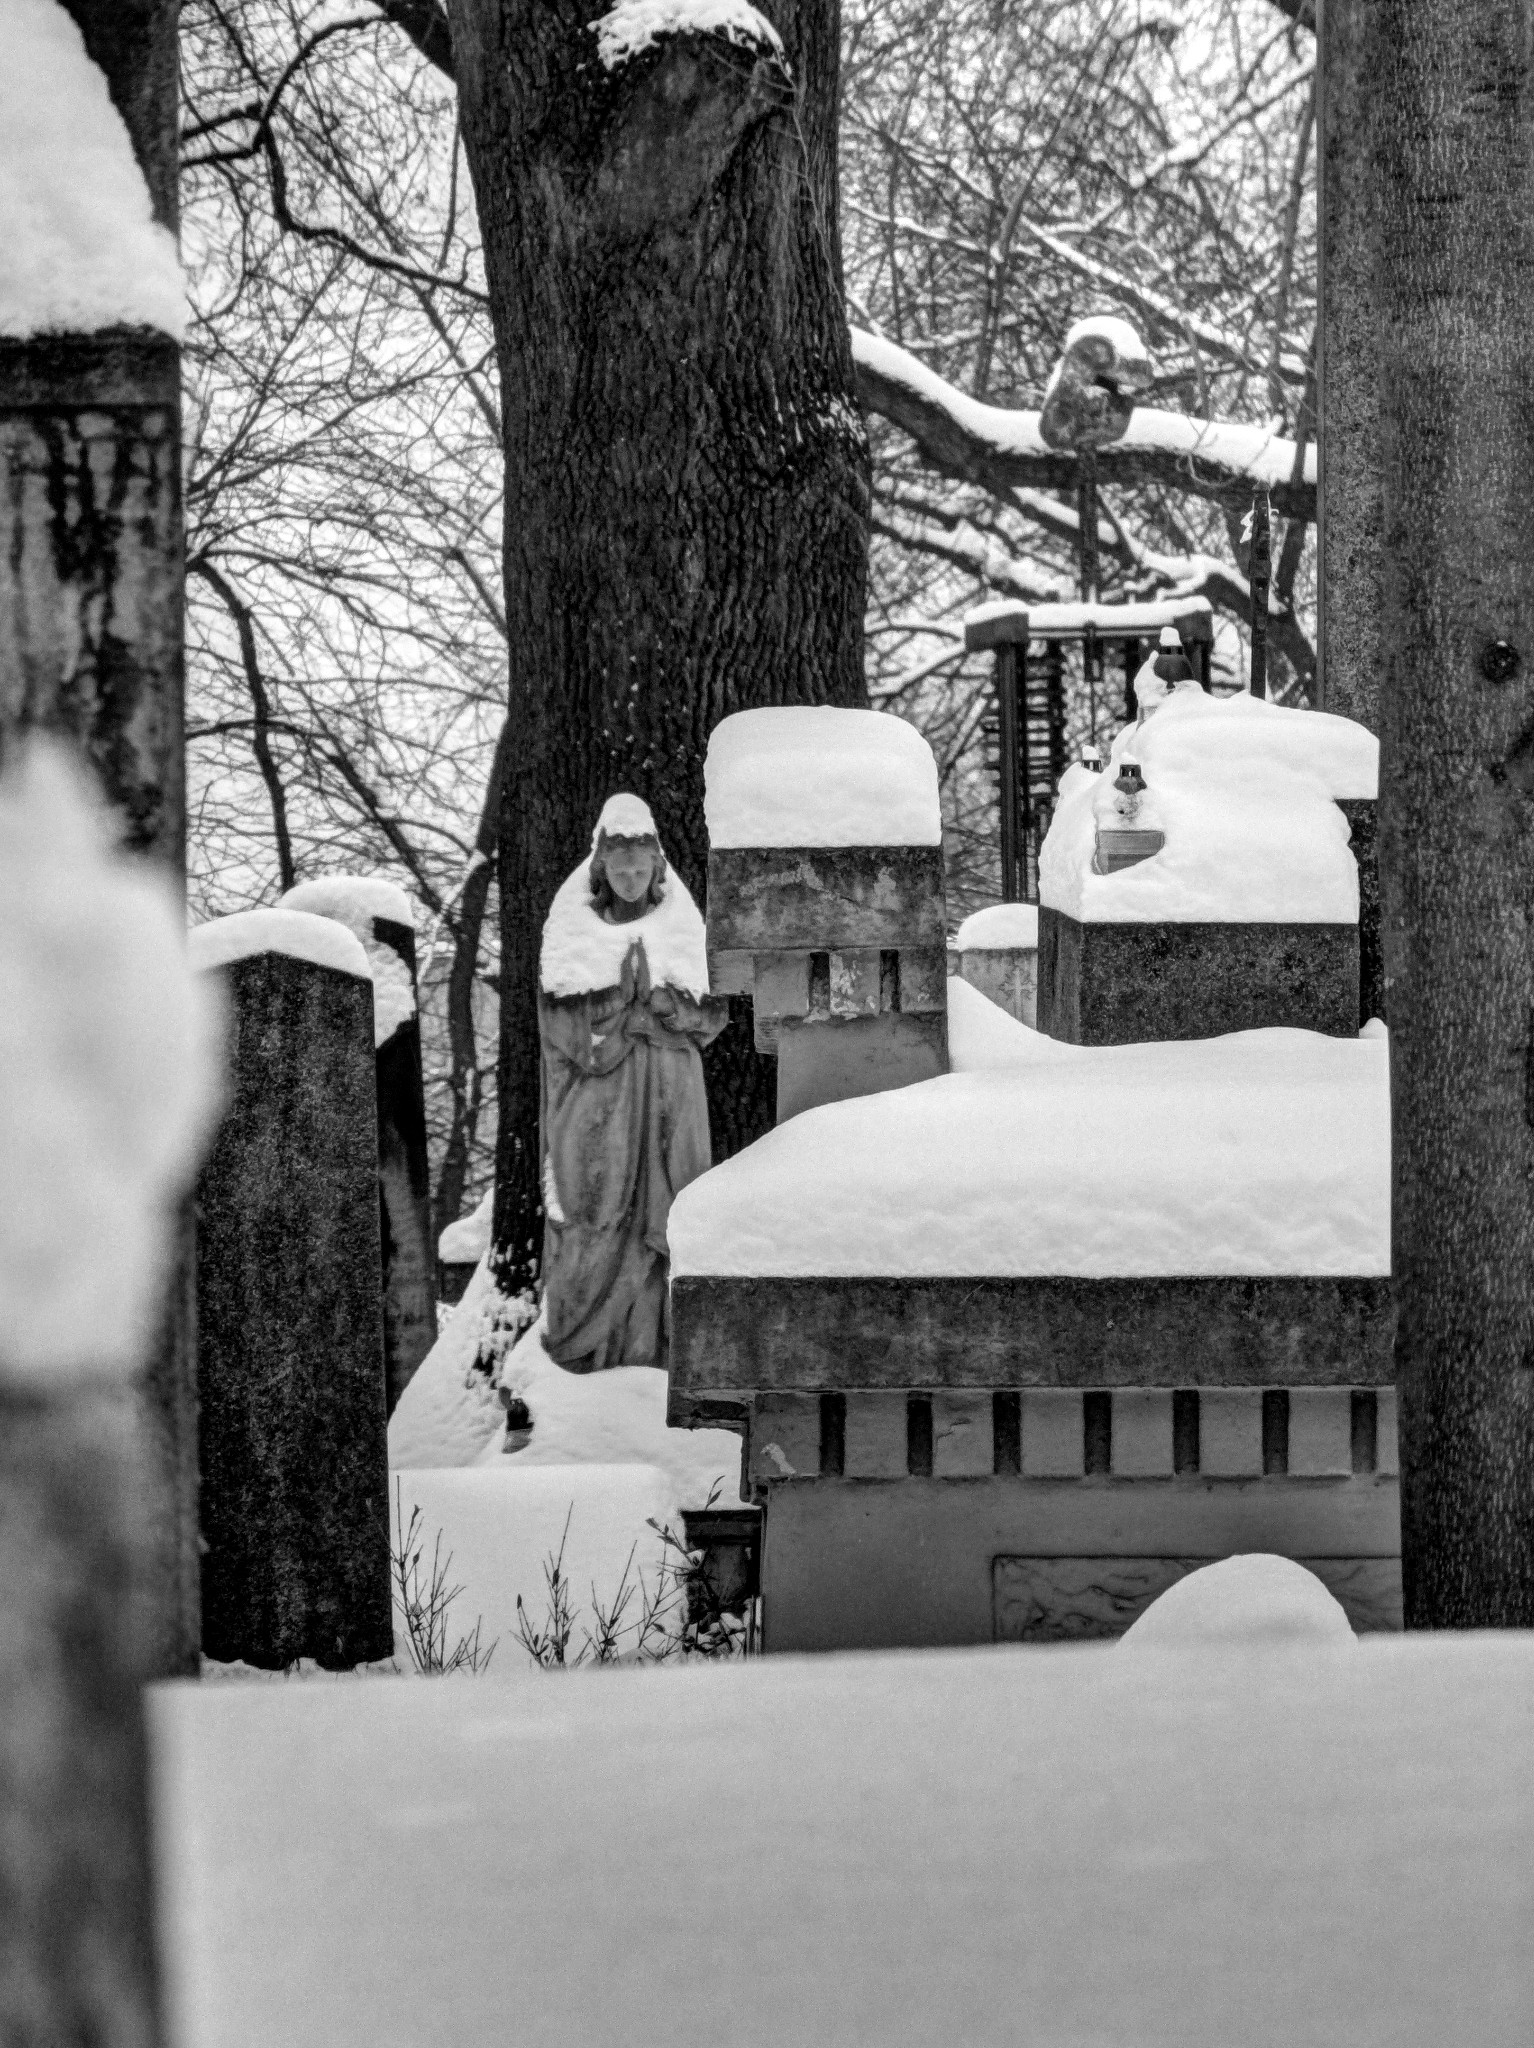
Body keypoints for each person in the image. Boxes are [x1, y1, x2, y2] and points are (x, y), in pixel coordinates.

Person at [536, 794, 727, 1371]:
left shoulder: (679, 923)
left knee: (674, 1215)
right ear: (600, 870)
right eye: (618, 868)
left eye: (639, 868)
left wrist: (666, 1006)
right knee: (589, 1209)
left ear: (655, 868)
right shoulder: (573, 927)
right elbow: (558, 1019)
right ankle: (583, 1352)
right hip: (599, 1095)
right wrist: (618, 1004)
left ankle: (658, 1351)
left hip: (671, 1094)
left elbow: (711, 1016)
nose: (629, 877)